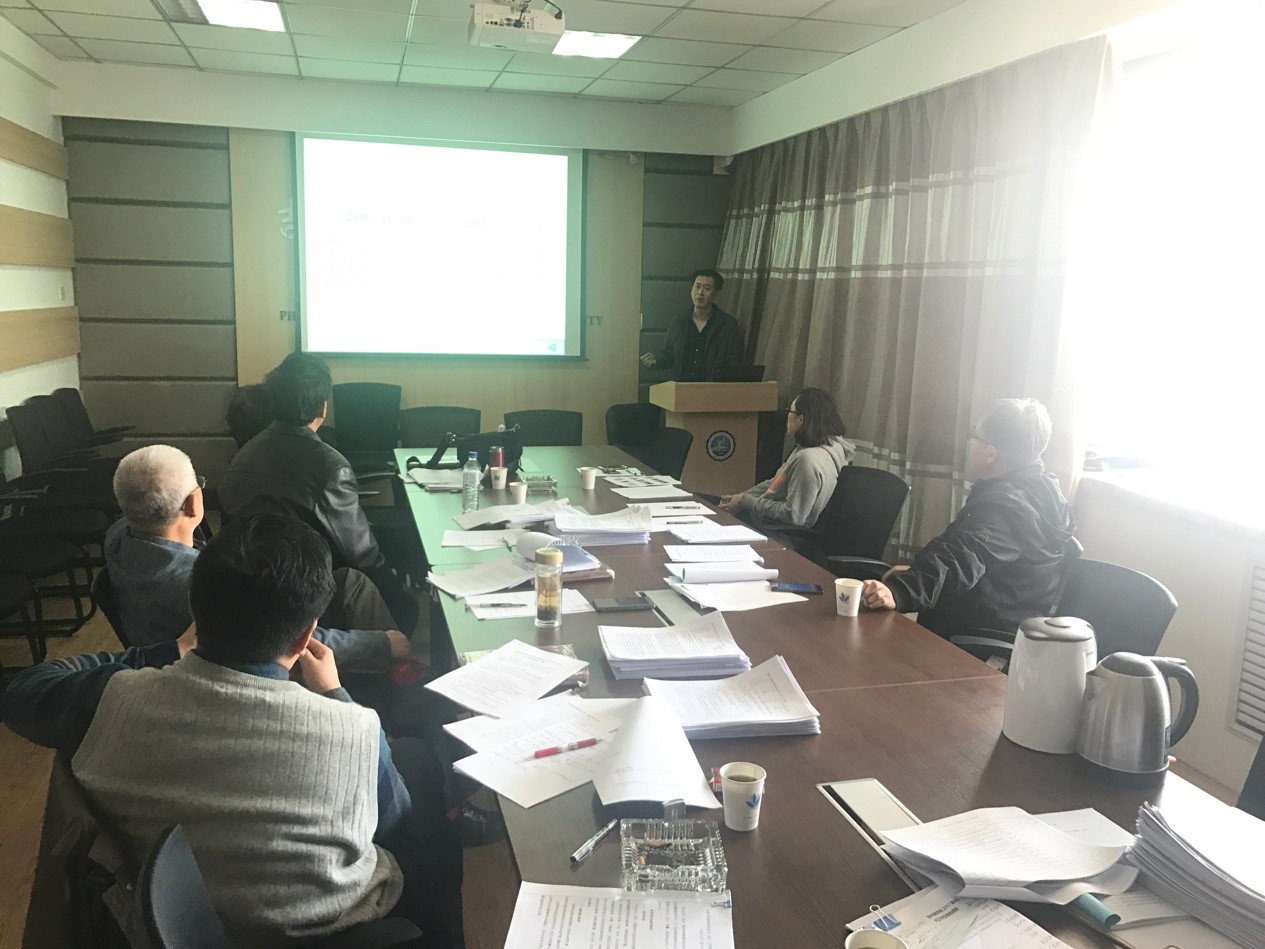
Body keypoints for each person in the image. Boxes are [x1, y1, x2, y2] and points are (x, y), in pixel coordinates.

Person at [1, 515, 463, 947]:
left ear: (195, 609)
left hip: (180, 923)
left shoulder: (113, 700)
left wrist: (159, 652)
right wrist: (335, 695)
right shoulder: (354, 726)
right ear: (306, 636)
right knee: (421, 770)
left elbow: (22, 689)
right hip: (337, 929)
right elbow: (392, 824)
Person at [104, 444, 409, 674]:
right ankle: (399, 685)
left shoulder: (117, 539)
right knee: (356, 591)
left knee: (347, 582)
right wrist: (382, 645)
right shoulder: (204, 583)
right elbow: (285, 637)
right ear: (193, 503)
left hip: (180, 653)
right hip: (242, 666)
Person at [218, 353, 419, 636]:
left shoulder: (244, 455)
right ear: (323, 407)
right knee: (402, 602)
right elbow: (361, 555)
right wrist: (402, 599)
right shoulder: (330, 465)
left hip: (247, 592)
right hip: (308, 593)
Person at [860, 398, 1076, 640]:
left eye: (974, 435)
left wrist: (900, 591)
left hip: (976, 636)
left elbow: (962, 558)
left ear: (991, 453)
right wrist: (915, 573)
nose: (969, 442)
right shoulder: (1042, 490)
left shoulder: (1007, 508)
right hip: (1001, 614)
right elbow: (963, 547)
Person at [719, 387, 855, 530]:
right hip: (767, 520)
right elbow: (774, 484)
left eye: (789, 411)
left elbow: (793, 516)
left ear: (801, 419)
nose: (787, 416)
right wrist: (742, 497)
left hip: (778, 531)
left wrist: (746, 501)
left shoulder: (808, 460)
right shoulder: (815, 448)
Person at [639, 269, 744, 381]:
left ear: (716, 293)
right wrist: (656, 359)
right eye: (697, 286)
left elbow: (733, 362)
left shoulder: (728, 324)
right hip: (681, 387)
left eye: (707, 288)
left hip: (712, 388)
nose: (700, 292)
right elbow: (669, 355)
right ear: (691, 289)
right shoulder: (679, 322)